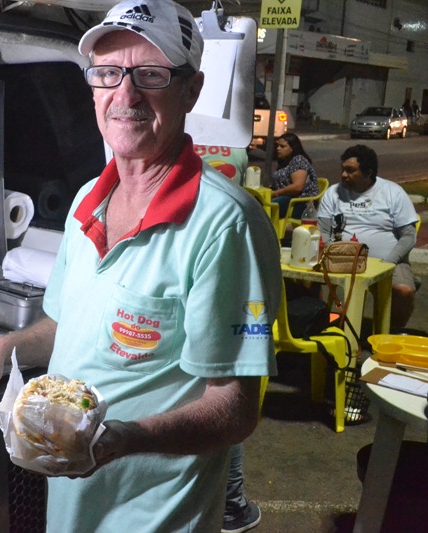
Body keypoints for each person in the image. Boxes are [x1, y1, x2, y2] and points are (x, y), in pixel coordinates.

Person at [0, 0, 282, 531]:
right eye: (107, 73)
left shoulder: (225, 225)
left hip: (154, 515)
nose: (124, 95)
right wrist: (1, 349)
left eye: (149, 75)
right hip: (74, 505)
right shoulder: (87, 202)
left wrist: (128, 439)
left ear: (190, 90)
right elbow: (65, 324)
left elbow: (236, 409)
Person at [198, 145, 263, 532]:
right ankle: (232, 503)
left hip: (198, 251)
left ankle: (229, 502)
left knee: (220, 393)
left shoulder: (165, 141)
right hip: (224, 264)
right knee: (225, 387)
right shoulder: (237, 149)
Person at [317, 144, 419, 331]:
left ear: (368, 172)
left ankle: (390, 333)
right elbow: (323, 229)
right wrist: (332, 251)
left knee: (404, 291)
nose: (343, 175)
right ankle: (320, 322)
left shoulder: (392, 192)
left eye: (350, 171)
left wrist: (388, 263)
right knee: (303, 280)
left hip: (388, 260)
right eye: (343, 170)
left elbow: (409, 236)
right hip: (341, 259)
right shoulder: (333, 193)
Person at [270, 132, 320, 220]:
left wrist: (276, 193)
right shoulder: (284, 162)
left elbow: (298, 187)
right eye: (277, 146)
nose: (278, 149)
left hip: (300, 203)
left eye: (282, 146)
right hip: (287, 199)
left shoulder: (298, 160)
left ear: (292, 148)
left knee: (268, 206)